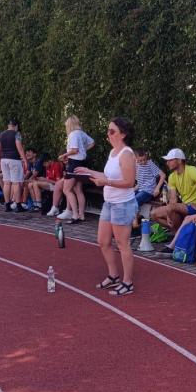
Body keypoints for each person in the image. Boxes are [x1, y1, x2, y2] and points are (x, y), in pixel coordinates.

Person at [78, 117, 137, 297]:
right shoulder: (113, 152)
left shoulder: (126, 154)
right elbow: (107, 175)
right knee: (103, 241)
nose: (108, 134)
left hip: (122, 204)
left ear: (123, 134)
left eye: (112, 131)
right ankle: (114, 276)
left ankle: (128, 282)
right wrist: (88, 171)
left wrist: (106, 182)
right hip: (110, 203)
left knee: (122, 244)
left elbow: (129, 182)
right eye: (108, 131)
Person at [150, 148, 196, 234]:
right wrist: (168, 215)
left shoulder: (192, 170)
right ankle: (179, 233)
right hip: (184, 206)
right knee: (154, 214)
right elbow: (173, 200)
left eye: (170, 160)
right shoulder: (172, 176)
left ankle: (178, 236)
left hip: (195, 207)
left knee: (171, 208)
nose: (167, 163)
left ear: (179, 160)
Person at [57, 116, 95, 222]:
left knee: (66, 189)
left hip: (74, 162)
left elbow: (74, 150)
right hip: (82, 162)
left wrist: (64, 155)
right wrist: (84, 150)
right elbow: (92, 143)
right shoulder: (81, 133)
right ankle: (81, 215)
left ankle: (74, 214)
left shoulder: (73, 134)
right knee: (78, 190)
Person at [0, 118, 27, 209]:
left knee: (6, 183)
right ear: (16, 126)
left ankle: (7, 204)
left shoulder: (1, 135)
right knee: (16, 183)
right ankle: (18, 205)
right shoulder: (17, 134)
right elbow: (19, 148)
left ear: (8, 126)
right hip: (14, 160)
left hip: (3, 160)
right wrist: (25, 159)